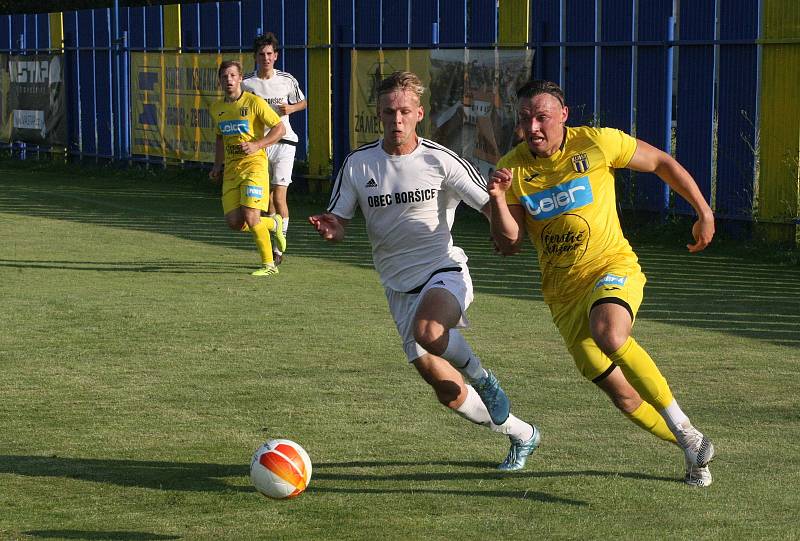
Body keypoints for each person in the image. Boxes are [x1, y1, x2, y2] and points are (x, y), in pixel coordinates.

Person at [488, 80, 717, 486]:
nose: (533, 127)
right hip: (563, 298)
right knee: (626, 397)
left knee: (610, 333)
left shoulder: (596, 143)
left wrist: (703, 211)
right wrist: (496, 198)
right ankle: (692, 451)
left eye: (542, 117)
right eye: (526, 119)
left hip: (612, 267)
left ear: (564, 116)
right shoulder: (514, 169)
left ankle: (684, 426)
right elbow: (508, 245)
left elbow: (662, 163)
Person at [309, 71, 540, 471]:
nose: (396, 119)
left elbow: (490, 207)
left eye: (403, 111)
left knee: (430, 332)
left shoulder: (439, 160)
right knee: (447, 391)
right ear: (379, 114)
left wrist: (503, 224)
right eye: (388, 112)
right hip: (398, 291)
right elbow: (340, 218)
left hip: (444, 273)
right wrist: (334, 227)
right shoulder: (358, 164)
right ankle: (522, 433)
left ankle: (483, 378)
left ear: (419, 114)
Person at [209, 60, 287, 276]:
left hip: (255, 167)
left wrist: (257, 145)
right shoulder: (217, 109)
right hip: (232, 172)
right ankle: (273, 224)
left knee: (252, 217)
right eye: (224, 77)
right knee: (234, 222)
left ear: (241, 78)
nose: (229, 80)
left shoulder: (254, 103)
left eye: (233, 76)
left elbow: (279, 129)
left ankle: (269, 265)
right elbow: (219, 138)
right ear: (220, 81)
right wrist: (217, 165)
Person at [241, 32, 307, 266]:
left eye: (270, 54)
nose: (266, 58)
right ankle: (272, 242)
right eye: (261, 54)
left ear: (276, 56)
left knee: (279, 196)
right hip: (260, 145)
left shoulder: (286, 80)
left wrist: (290, 109)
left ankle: (279, 249)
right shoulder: (247, 83)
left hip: (285, 142)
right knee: (264, 200)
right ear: (255, 57)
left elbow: (303, 102)